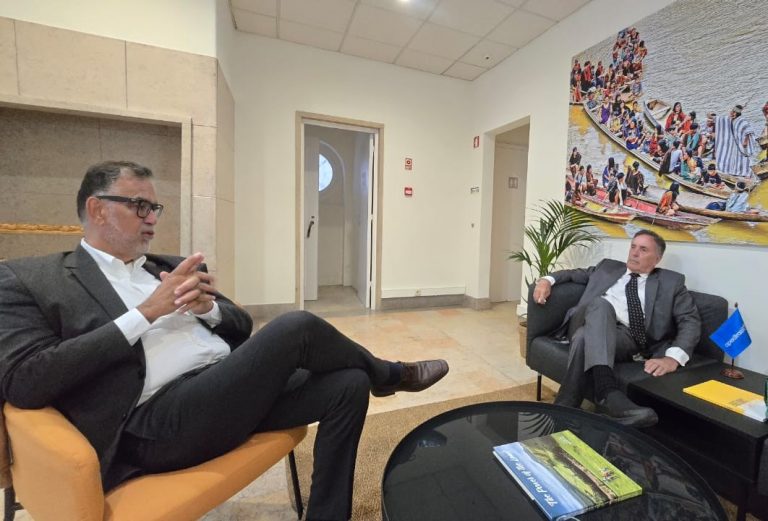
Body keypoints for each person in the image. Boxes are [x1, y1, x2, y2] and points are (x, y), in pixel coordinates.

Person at [0, 160, 450, 521]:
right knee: (296, 326)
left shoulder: (168, 265)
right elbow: (24, 380)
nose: (152, 219)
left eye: (156, 208)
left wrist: (207, 310)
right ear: (97, 209)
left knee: (348, 384)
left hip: (226, 391)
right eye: (140, 206)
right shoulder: (32, 280)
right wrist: (145, 313)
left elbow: (241, 325)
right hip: (156, 422)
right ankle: (390, 374)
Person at [533, 230, 701, 428]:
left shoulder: (672, 282)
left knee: (584, 338)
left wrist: (673, 358)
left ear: (657, 258)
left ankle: (564, 409)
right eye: (633, 246)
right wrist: (546, 280)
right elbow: (572, 274)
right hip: (586, 320)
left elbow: (690, 320)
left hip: (628, 338)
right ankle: (607, 391)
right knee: (600, 305)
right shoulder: (608, 267)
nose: (634, 253)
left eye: (643, 249)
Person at [715, 104, 757, 177]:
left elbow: (748, 130)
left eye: (733, 112)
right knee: (735, 158)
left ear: (736, 113)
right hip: (735, 143)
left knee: (744, 158)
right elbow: (722, 120)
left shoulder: (741, 120)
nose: (731, 113)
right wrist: (714, 118)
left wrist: (745, 141)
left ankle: (746, 173)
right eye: (732, 111)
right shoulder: (731, 119)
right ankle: (736, 171)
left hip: (742, 143)